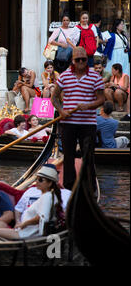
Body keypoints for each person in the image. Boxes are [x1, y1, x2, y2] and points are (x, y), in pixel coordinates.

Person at [51, 47, 105, 190]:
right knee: (68, 156)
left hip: (88, 124)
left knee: (88, 156)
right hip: (68, 123)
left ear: (87, 60)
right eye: (77, 59)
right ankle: (69, 187)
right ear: (72, 61)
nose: (81, 62)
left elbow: (101, 99)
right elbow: (54, 98)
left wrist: (88, 105)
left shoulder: (95, 77)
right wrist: (61, 111)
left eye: (83, 59)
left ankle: (89, 187)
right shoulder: (64, 76)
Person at [0, 164, 64, 240]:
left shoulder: (47, 197)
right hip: (27, 231)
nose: (37, 182)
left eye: (40, 180)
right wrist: (19, 223)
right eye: (37, 179)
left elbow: (40, 218)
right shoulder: (50, 196)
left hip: (27, 234)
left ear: (50, 183)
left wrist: (24, 224)